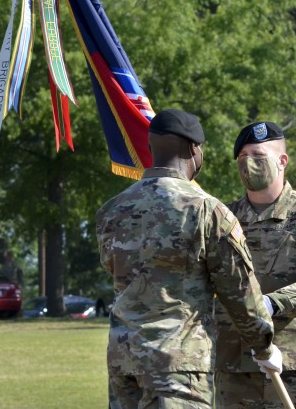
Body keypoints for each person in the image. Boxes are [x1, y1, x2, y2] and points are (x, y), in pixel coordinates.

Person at [96, 109, 282, 409]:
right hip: (179, 366)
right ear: (194, 149)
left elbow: (113, 269)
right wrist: (264, 345)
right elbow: (240, 292)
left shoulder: (112, 210)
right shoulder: (206, 210)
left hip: (124, 364)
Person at [214, 122, 296, 408]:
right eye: (242, 158)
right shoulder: (222, 218)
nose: (248, 164)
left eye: (257, 155)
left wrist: (271, 303)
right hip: (236, 367)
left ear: (282, 161)